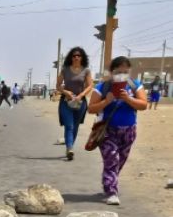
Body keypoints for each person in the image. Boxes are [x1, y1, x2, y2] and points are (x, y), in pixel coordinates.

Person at [88, 56, 148, 205]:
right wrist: (107, 101)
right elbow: (91, 108)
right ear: (112, 71)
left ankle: (108, 181)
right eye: (118, 71)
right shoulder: (103, 87)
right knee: (112, 160)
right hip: (107, 131)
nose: (121, 74)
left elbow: (143, 105)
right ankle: (111, 191)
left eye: (125, 71)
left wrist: (128, 99)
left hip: (129, 131)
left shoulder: (135, 86)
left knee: (119, 161)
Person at [57, 47, 94, 161]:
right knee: (69, 125)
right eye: (74, 55)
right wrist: (65, 91)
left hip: (80, 102)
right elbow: (58, 86)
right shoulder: (65, 70)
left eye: (79, 55)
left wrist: (81, 95)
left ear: (82, 57)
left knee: (75, 126)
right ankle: (70, 148)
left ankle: (70, 146)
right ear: (71, 58)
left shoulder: (86, 70)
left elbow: (90, 86)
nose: (76, 57)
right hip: (66, 101)